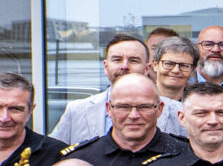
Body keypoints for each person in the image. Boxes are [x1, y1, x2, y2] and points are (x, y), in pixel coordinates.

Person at [64, 72, 185, 166]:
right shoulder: (81, 160)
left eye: (144, 107)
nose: (133, 115)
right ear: (109, 109)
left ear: (159, 109)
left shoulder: (185, 155)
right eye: (123, 107)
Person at [52, 34, 181, 144]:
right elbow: (54, 156)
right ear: (105, 66)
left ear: (147, 68)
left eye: (134, 61)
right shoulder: (76, 111)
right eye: (117, 60)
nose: (124, 66)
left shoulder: (177, 111)